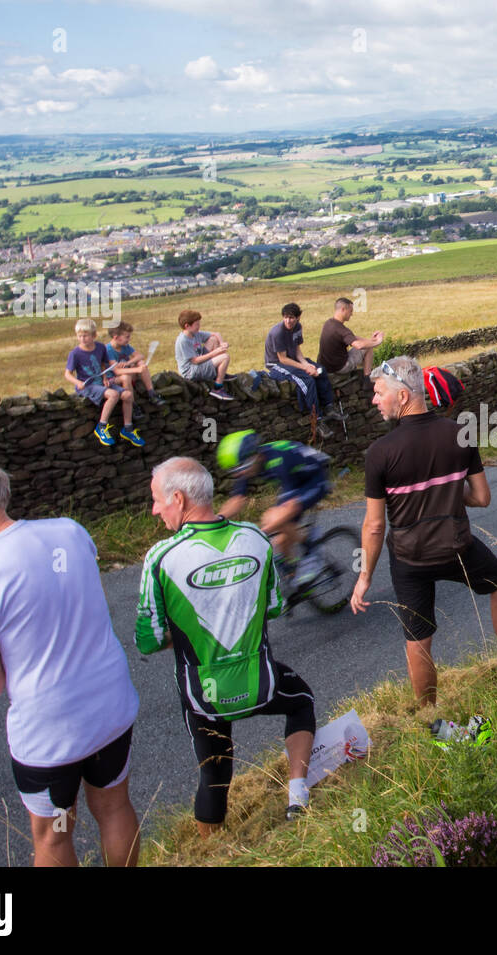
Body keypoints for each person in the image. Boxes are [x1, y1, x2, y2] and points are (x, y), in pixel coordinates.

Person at [0, 457, 140, 867]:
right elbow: (62, 596)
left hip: (52, 733)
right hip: (111, 705)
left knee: (53, 837)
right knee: (114, 809)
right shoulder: (68, 530)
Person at [137, 457, 316, 829]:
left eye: (157, 500)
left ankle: (211, 851)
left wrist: (191, 626)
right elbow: (274, 607)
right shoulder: (255, 538)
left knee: (214, 776)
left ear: (179, 498)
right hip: (261, 684)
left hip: (205, 696)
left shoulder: (160, 558)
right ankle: (298, 795)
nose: (155, 510)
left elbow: (148, 641)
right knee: (301, 700)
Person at [353, 357, 497, 702]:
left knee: (418, 638)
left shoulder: (379, 453)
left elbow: (374, 526)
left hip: (409, 559)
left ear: (402, 396)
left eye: (378, 393)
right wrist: (446, 492)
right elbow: (481, 497)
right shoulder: (458, 434)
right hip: (457, 548)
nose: (374, 400)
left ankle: (429, 714)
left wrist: (364, 577)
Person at [215, 430, 331, 591]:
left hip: (315, 480)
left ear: (254, 455)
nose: (240, 473)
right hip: (295, 485)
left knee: (272, 519)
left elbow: (291, 506)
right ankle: (298, 582)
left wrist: (261, 533)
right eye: (235, 471)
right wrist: (214, 521)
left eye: (242, 467)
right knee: (279, 542)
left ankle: (312, 548)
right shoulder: (251, 461)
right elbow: (237, 500)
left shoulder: (279, 459)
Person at [65, 317, 146, 446]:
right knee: (113, 395)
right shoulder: (75, 353)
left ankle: (128, 428)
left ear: (94, 335)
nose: (82, 339)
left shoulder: (100, 347)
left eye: (85, 336)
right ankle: (101, 426)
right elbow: (67, 374)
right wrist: (77, 382)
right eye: (79, 336)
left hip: (101, 383)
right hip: (87, 385)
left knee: (128, 395)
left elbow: (103, 364)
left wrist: (104, 378)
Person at [265, 302, 343, 436]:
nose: (288, 321)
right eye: (285, 317)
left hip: (292, 360)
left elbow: (297, 351)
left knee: (321, 371)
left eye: (291, 318)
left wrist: (306, 365)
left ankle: (329, 407)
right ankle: (317, 420)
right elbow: (283, 359)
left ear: (298, 317)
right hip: (276, 364)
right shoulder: (278, 332)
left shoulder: (298, 327)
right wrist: (304, 368)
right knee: (308, 380)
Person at [175, 309, 233, 402]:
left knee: (213, 339)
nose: (199, 326)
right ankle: (218, 387)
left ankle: (219, 373)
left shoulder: (195, 334)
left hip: (198, 364)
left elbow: (216, 334)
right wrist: (215, 353)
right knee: (225, 357)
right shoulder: (183, 341)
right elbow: (195, 361)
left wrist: (222, 343)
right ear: (187, 326)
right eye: (197, 324)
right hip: (191, 371)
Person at [318, 296, 383, 376]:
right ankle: (367, 377)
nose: (351, 314)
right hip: (340, 367)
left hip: (325, 366)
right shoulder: (341, 330)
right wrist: (378, 342)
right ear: (343, 309)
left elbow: (353, 338)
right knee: (368, 348)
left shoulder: (328, 323)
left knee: (367, 344)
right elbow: (359, 345)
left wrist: (372, 340)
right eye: (350, 311)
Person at [107, 321, 166, 407]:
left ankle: (151, 394)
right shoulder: (108, 350)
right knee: (133, 372)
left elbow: (140, 356)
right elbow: (117, 371)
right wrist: (138, 369)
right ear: (116, 337)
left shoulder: (125, 346)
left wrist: (128, 362)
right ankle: (133, 404)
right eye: (127, 337)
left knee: (141, 363)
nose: (129, 339)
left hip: (129, 374)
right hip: (117, 379)